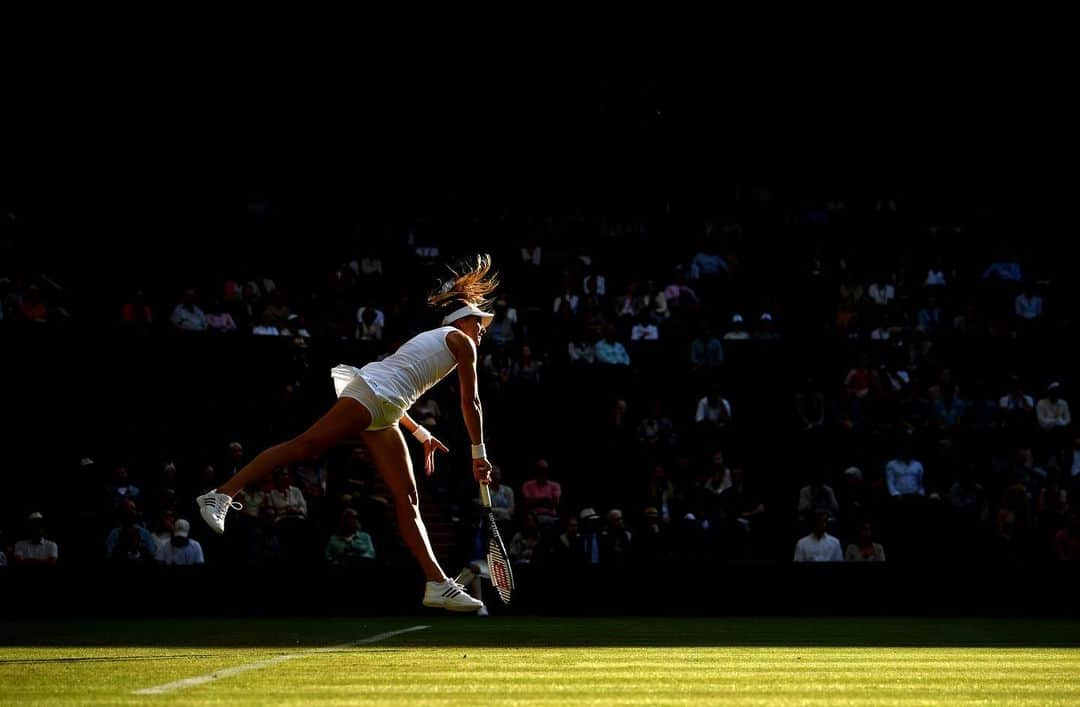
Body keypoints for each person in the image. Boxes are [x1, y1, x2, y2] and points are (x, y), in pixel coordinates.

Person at [196, 254, 502, 612]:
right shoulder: (461, 343)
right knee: (305, 446)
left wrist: (420, 434)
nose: (483, 329)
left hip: (388, 409)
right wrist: (479, 457)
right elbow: (472, 403)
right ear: (462, 320)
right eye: (479, 322)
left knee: (408, 497)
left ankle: (436, 583)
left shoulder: (441, 341)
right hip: (373, 393)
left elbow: (402, 386)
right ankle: (220, 494)